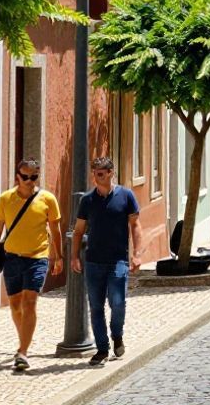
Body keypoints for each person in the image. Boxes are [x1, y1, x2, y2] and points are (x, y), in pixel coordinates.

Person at [0, 159, 63, 371]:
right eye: (26, 177)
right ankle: (24, 342)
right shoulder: (5, 199)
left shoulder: (47, 199)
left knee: (30, 302)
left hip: (38, 257)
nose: (30, 181)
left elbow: (55, 230)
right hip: (11, 258)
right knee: (15, 305)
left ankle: (23, 351)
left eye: (34, 177)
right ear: (17, 177)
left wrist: (58, 256)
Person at [72, 157, 142, 366]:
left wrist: (137, 253)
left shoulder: (126, 195)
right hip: (93, 262)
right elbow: (78, 232)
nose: (96, 177)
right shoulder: (87, 200)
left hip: (118, 260)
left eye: (100, 174)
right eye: (94, 173)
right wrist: (75, 256)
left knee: (118, 302)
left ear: (111, 173)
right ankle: (102, 348)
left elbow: (136, 225)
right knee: (96, 306)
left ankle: (117, 335)